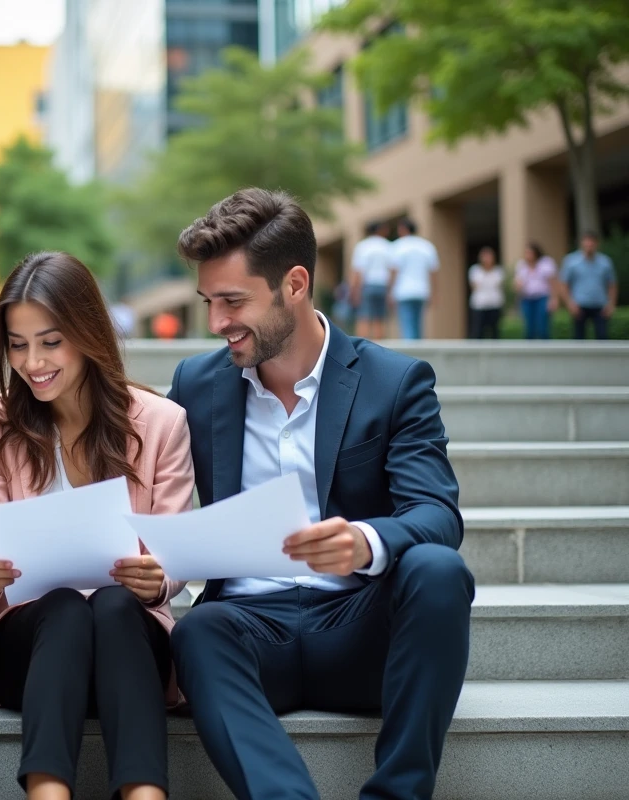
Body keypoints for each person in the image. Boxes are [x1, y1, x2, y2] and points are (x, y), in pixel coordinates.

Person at [166, 188, 474, 799]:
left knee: (439, 571)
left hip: (361, 629)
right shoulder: (197, 384)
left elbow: (437, 513)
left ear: (296, 284)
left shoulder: (393, 381)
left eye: (232, 301)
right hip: (250, 633)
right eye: (208, 302)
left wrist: (364, 541)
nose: (216, 323)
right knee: (197, 634)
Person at [0, 251, 194, 800]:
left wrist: (157, 576)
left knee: (114, 604)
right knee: (67, 605)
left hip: (129, 643)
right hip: (31, 643)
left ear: (88, 332)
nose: (32, 361)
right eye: (17, 345)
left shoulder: (162, 422)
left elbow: (176, 551)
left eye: (50, 341)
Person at [559, 232, 618, 340]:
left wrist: (611, 304)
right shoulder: (571, 261)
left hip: (600, 305)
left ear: (596, 244)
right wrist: (569, 303)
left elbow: (612, 284)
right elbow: (563, 284)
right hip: (579, 305)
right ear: (581, 244)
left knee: (602, 337)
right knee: (579, 338)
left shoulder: (605, 262)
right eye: (586, 243)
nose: (589, 246)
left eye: (591, 243)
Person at [389, 217, 439, 339]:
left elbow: (394, 271)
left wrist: (389, 291)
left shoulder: (398, 246)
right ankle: (419, 353)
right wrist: (434, 293)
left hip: (403, 291)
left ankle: (410, 355)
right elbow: (433, 272)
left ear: (403, 229)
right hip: (422, 291)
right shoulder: (427, 246)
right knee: (418, 324)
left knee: (407, 325)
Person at [349, 220, 393, 340]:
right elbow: (392, 269)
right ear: (380, 230)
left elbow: (358, 270)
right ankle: (380, 346)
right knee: (380, 317)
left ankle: (361, 348)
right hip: (383, 285)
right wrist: (390, 291)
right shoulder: (387, 246)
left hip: (367, 285)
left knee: (364, 316)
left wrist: (354, 290)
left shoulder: (363, 246)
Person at [514, 243, 557, 339]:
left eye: (530, 253)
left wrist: (553, 299)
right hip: (527, 299)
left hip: (542, 298)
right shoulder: (521, 265)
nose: (528, 255)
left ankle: (545, 350)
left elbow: (553, 283)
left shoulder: (545, 263)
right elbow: (517, 284)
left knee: (543, 327)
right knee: (529, 328)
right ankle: (529, 351)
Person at [468, 246, 505, 339]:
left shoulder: (498, 271)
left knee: (495, 331)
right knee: (478, 331)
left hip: (494, 304)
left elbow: (499, 286)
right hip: (479, 305)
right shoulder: (475, 270)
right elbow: (474, 286)